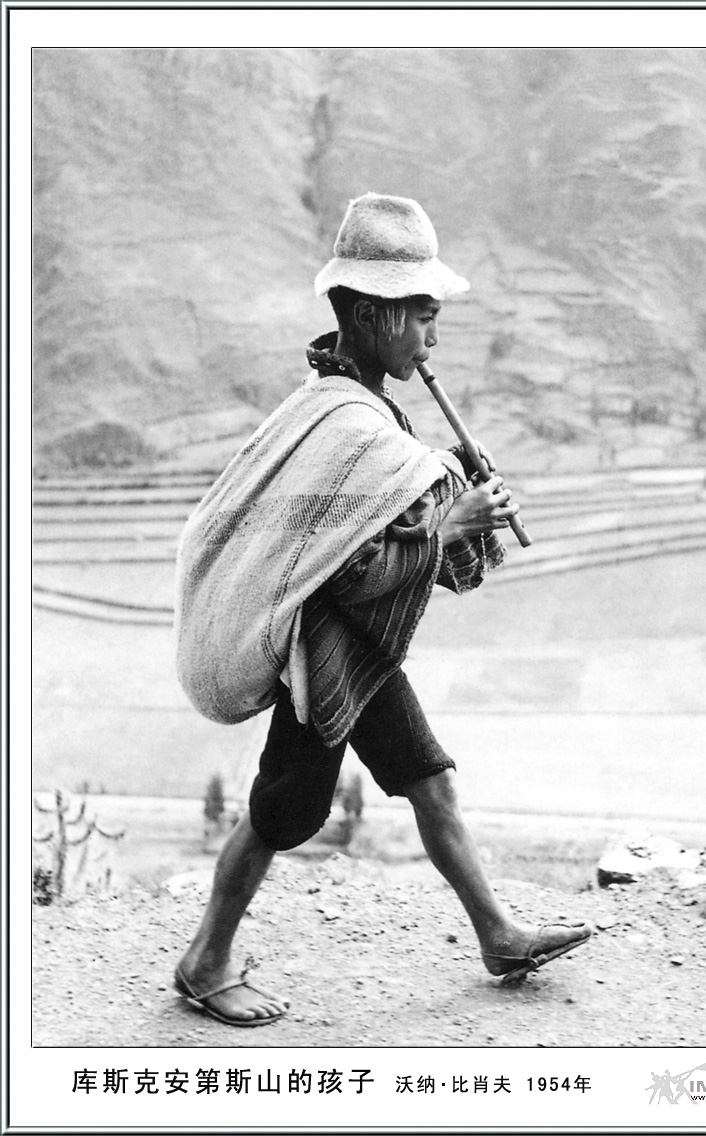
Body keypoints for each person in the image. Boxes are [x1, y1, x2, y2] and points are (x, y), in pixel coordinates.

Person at [173, 192, 591, 1026]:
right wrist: (451, 522)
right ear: (371, 315)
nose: (433, 339)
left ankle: (498, 935)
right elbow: (351, 574)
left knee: (430, 782)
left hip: (360, 655)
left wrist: (447, 485)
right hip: (323, 663)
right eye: (423, 319)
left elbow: (382, 533)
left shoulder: (357, 411)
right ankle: (205, 961)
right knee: (282, 812)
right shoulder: (349, 429)